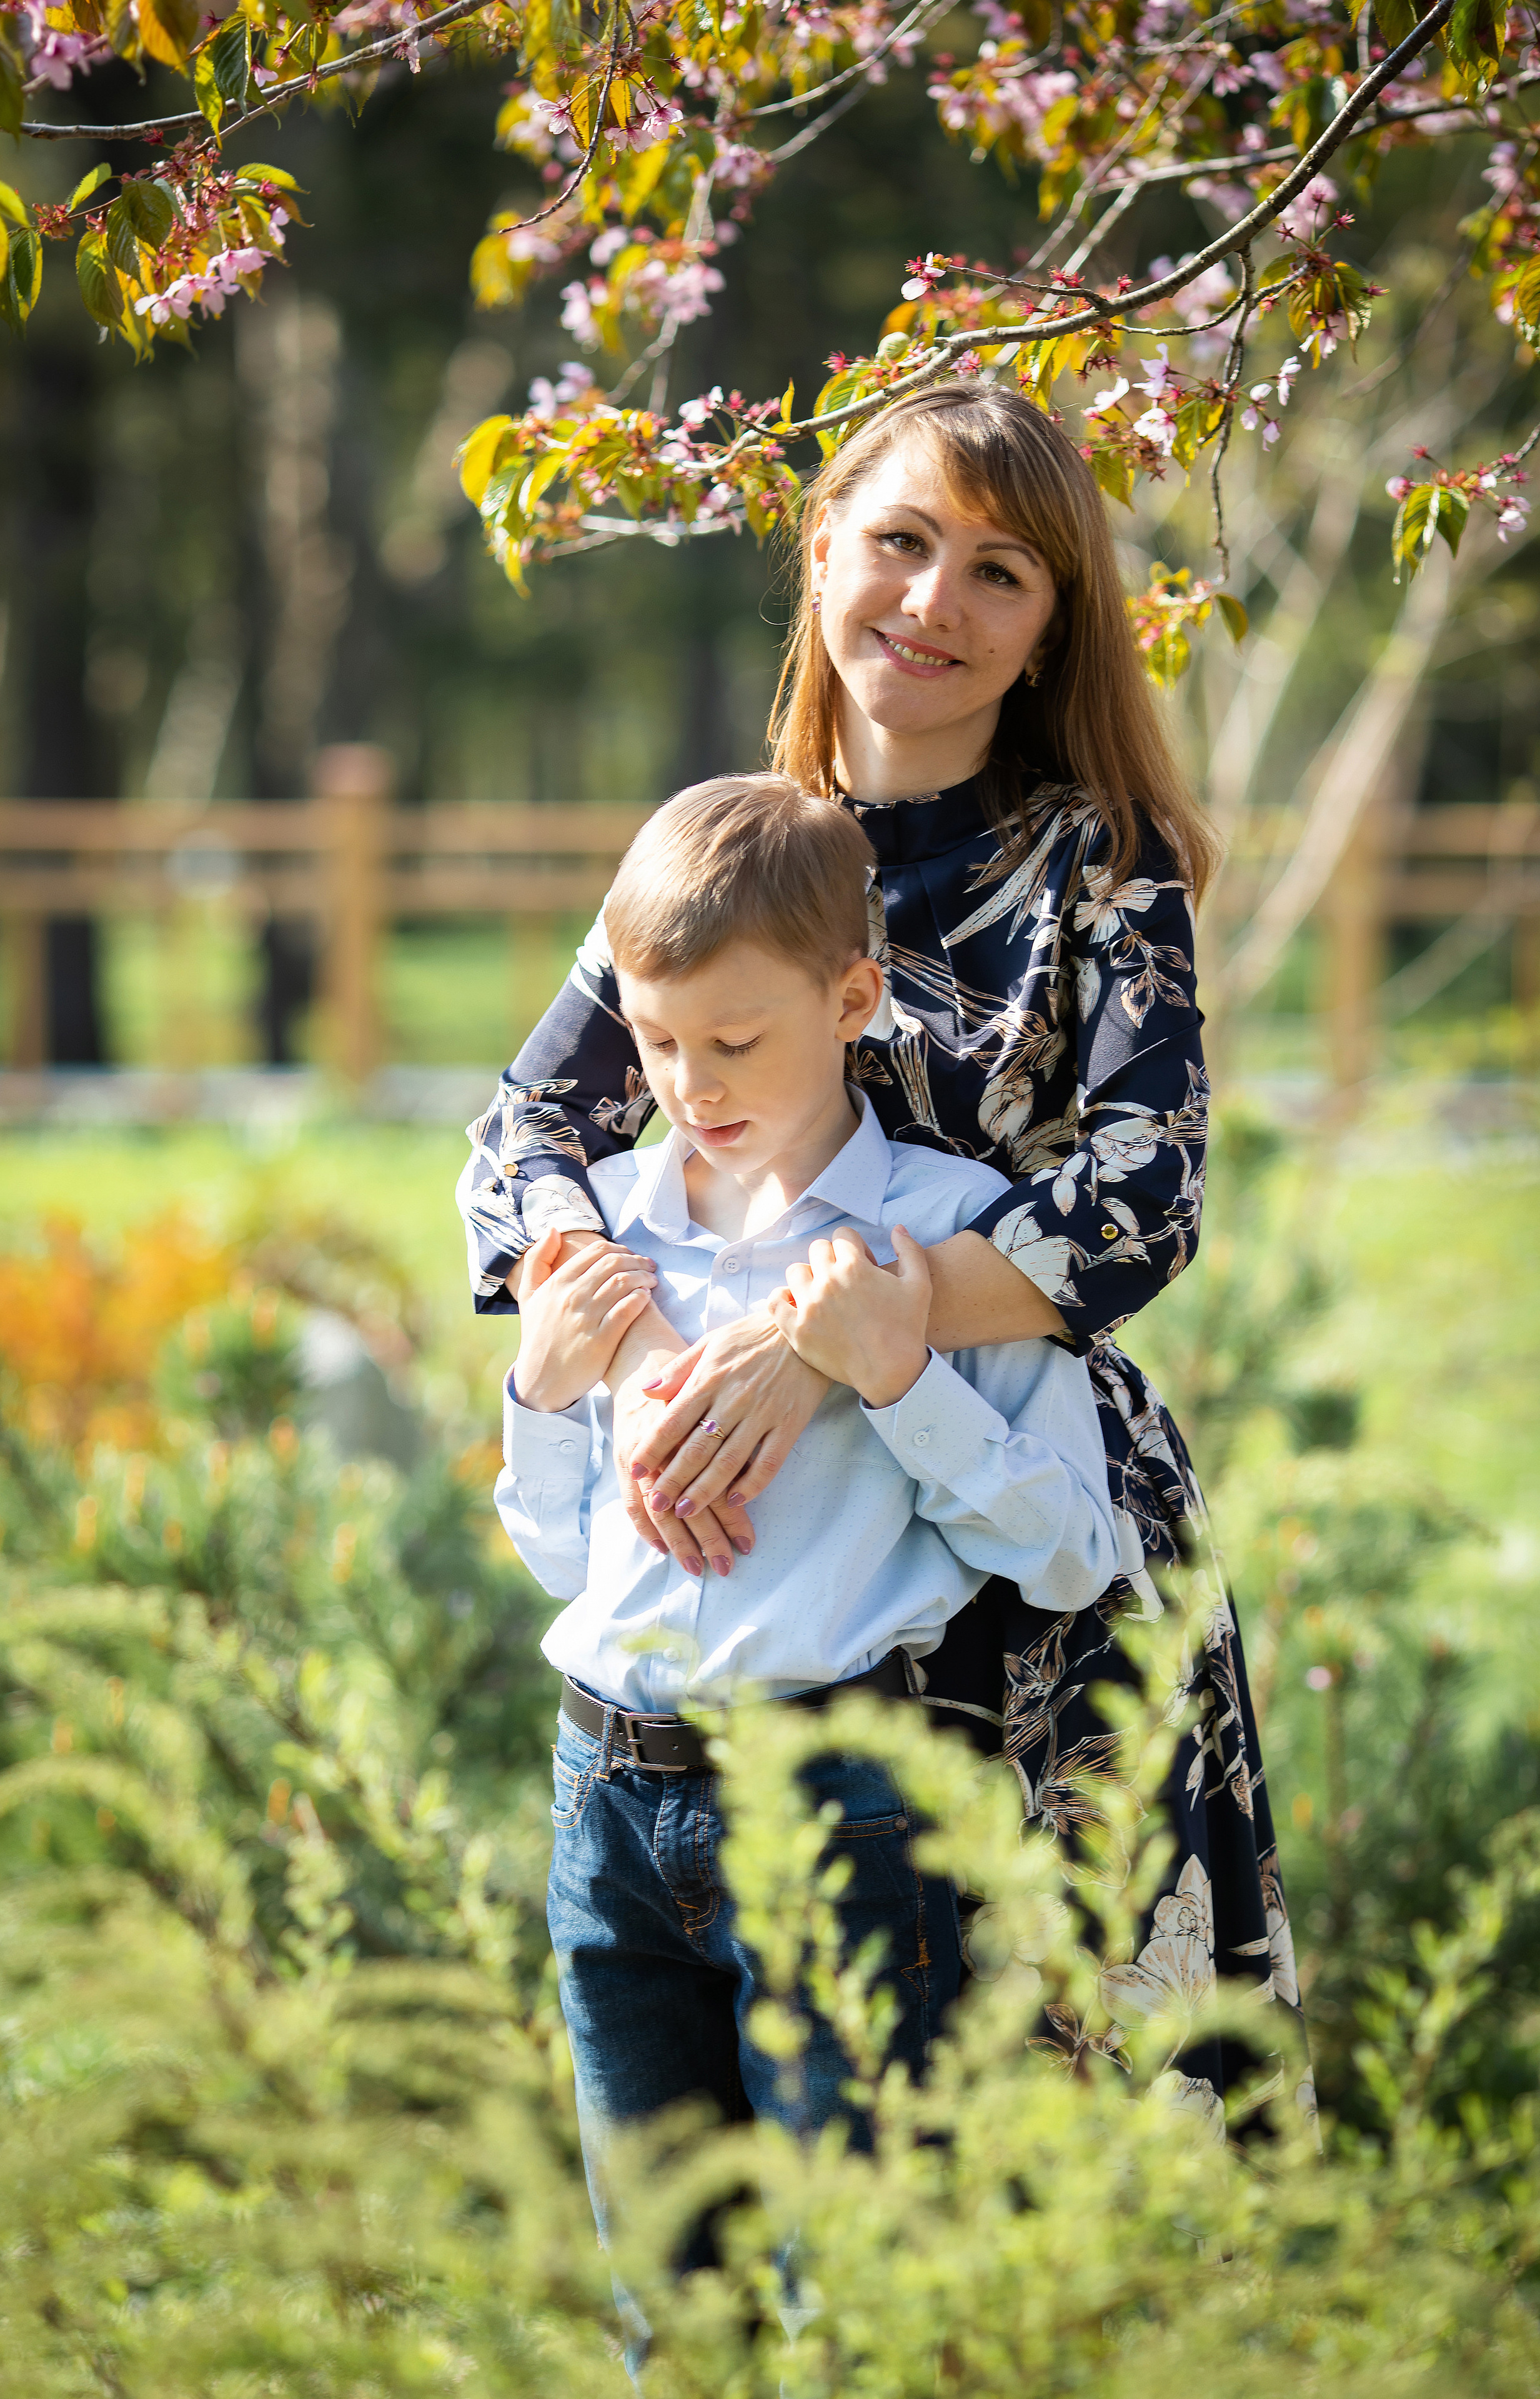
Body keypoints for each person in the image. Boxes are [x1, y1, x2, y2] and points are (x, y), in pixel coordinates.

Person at [459, 380, 1303, 2112]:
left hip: (1026, 1563)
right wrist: (627, 1337)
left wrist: (830, 1336)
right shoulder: (735, 853)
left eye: (1001, 573)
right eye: (904, 542)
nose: (934, 604)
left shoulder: (1098, 863)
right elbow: (522, 1141)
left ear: (1055, 622)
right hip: (756, 1572)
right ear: (825, 539)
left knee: (1039, 2127)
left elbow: (1145, 1200)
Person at [477, 775, 1118, 2330]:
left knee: (846, 2279)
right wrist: (540, 1389)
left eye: (733, 1041)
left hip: (827, 1800)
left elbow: (1067, 1550)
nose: (685, 1084)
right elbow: (562, 1562)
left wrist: (893, 1376)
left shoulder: (942, 1233)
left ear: (853, 995)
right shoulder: (605, 1233)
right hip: (604, 1802)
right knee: (664, 2287)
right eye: (651, 1039)